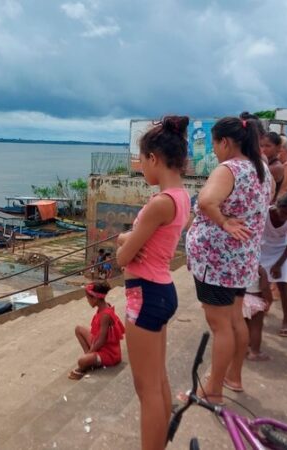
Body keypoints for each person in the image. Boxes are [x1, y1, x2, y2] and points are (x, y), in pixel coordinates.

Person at [115, 115, 191, 449]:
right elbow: (145, 242)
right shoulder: (181, 196)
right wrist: (130, 239)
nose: (139, 167)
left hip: (144, 295)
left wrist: (124, 240)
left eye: (141, 160)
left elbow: (122, 257)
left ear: (154, 159)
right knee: (158, 382)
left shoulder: (159, 203)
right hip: (161, 290)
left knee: (146, 391)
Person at [184, 116, 272, 404]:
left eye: (214, 144)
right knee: (235, 319)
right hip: (240, 260)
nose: (214, 151)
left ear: (225, 142)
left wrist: (223, 222)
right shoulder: (262, 170)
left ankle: (213, 389)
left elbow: (207, 201)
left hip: (217, 262)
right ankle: (234, 376)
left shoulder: (229, 169)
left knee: (220, 326)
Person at [260, 193, 287, 337]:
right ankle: (266, 303)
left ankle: (286, 319)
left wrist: (279, 264)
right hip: (262, 249)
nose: (286, 217)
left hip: (282, 250)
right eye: (284, 212)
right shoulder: (263, 213)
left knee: (283, 283)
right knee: (260, 283)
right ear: (278, 206)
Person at [69, 281, 125, 379]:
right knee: (78, 329)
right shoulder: (103, 306)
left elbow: (101, 340)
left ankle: (86, 364)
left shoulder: (105, 315)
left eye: (88, 298)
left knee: (81, 361)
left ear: (95, 298)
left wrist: (90, 352)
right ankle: (89, 360)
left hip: (109, 354)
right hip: (98, 343)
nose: (87, 301)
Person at [243, 266, 273, 361]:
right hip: (255, 301)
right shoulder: (260, 269)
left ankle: (243, 349)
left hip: (240, 300)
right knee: (256, 327)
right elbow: (264, 288)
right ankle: (255, 352)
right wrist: (269, 300)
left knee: (243, 326)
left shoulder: (239, 265)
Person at [259, 131, 285, 200]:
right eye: (261, 146)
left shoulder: (277, 167)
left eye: (268, 146)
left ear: (278, 147)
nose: (263, 149)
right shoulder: (266, 163)